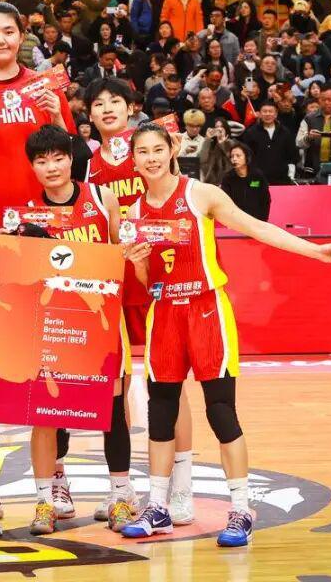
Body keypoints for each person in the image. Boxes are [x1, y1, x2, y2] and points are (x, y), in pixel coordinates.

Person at [120, 122, 331, 547]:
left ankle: (240, 510)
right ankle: (158, 506)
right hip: (164, 314)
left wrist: (315, 251)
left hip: (206, 311)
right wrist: (138, 262)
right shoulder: (133, 214)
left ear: (171, 150)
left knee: (221, 412)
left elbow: (257, 227)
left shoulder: (201, 194)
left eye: (157, 149)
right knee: (160, 414)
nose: (150, 158)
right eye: (142, 152)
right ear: (133, 161)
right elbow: (147, 280)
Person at [0, 1, 76, 520]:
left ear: (22, 36)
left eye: (10, 30)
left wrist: (55, 115)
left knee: (51, 362)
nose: (1, 39)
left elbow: (73, 158)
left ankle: (57, 472)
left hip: (44, 241)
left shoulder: (43, 87)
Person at [83, 78, 194, 527]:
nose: (107, 108)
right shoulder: (88, 164)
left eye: (116, 101)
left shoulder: (154, 146)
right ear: (89, 114)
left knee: (169, 382)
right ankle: (124, 488)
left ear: (131, 107)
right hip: (116, 280)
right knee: (121, 386)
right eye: (98, 103)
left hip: (162, 275)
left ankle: (180, 488)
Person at [12, 124, 130, 535]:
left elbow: (120, 254)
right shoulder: (26, 213)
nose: (51, 167)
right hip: (53, 324)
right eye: (41, 161)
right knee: (45, 414)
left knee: (113, 410)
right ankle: (44, 501)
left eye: (58, 158)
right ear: (32, 167)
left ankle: (121, 495)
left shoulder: (102, 198)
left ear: (70, 159)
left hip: (102, 319)